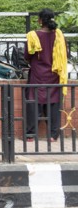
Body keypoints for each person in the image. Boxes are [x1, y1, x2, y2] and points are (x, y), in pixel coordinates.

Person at [24, 8, 67, 142]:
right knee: (53, 102)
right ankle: (53, 135)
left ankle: (30, 135)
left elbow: (27, 55)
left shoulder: (33, 35)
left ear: (41, 20)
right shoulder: (59, 35)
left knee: (33, 101)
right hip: (54, 74)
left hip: (37, 73)